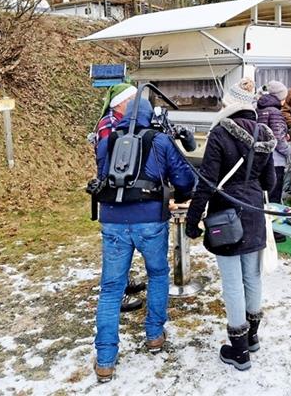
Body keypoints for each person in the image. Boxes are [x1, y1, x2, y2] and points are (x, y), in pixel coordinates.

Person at [93, 96, 196, 383]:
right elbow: (184, 177)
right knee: (158, 274)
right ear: (150, 115)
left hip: (113, 221)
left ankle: (105, 360)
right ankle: (153, 336)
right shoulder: (160, 140)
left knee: (111, 289)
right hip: (151, 219)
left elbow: (103, 176)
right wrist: (182, 195)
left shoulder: (107, 141)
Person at [185, 78, 277, 371]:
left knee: (233, 283)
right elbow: (270, 183)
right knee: (252, 277)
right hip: (253, 211)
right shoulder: (264, 132)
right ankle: (252, 338)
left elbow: (207, 182)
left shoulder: (220, 133)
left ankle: (238, 350)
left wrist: (192, 220)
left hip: (226, 214)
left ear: (230, 104)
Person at [92, 83, 146, 313]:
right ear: (123, 103)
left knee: (123, 243)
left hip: (120, 190)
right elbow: (110, 160)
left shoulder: (118, 121)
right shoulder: (110, 125)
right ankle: (118, 293)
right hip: (114, 191)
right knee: (115, 247)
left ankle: (124, 281)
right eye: (133, 100)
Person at [256, 80, 291, 204]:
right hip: (276, 160)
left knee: (263, 194)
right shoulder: (275, 112)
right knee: (274, 196)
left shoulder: (259, 109)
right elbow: (278, 138)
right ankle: (273, 220)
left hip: (261, 157)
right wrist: (289, 150)